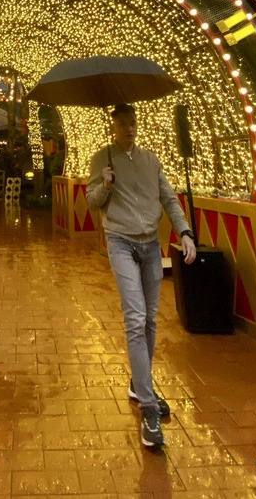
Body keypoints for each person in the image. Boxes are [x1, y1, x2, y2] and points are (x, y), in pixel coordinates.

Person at [86, 103, 196, 450]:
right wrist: (105, 185)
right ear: (113, 125)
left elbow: (169, 199)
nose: (130, 128)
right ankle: (149, 407)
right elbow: (92, 202)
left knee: (150, 320)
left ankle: (139, 383)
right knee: (134, 318)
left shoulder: (151, 161)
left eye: (133, 123)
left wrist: (185, 232)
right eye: (123, 123)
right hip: (119, 242)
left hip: (150, 245)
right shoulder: (101, 159)